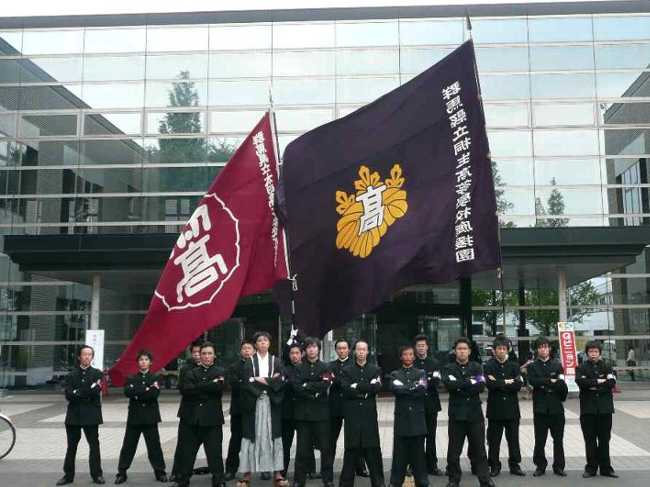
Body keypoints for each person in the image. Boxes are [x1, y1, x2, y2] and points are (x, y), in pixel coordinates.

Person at [171, 342, 226, 487]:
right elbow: (187, 391)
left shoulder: (221, 371)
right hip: (191, 419)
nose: (207, 356)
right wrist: (210, 385)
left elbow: (218, 390)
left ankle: (218, 480)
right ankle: (182, 480)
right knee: (187, 453)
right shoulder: (190, 372)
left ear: (214, 356)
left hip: (212, 420)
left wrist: (198, 387)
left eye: (209, 353)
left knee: (214, 453)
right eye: (204, 354)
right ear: (199, 356)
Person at [237, 332, 287, 487]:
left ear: (269, 343)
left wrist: (262, 380)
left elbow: (281, 380)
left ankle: (277, 473)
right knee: (251, 436)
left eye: (266, 340)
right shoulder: (249, 362)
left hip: (272, 403)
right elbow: (247, 382)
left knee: (274, 436)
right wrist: (268, 383)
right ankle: (247, 474)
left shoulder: (276, 361)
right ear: (255, 344)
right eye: (260, 340)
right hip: (254, 403)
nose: (263, 342)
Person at [442, 337, 494, 487]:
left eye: (464, 349)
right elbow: (450, 386)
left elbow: (480, 387)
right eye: (459, 349)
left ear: (469, 351)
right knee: (453, 451)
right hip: (456, 414)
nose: (462, 351)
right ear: (455, 351)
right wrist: (470, 382)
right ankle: (454, 479)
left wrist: (460, 384)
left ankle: (485, 479)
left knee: (480, 450)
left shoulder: (477, 367)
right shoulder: (448, 368)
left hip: (474, 415)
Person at [115, 350, 167, 484]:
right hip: (135, 417)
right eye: (141, 360)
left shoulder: (156, 378)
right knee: (128, 446)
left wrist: (138, 393)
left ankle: (160, 471)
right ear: (137, 362)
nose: (143, 362)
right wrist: (146, 389)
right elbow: (128, 392)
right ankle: (122, 472)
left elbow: (153, 395)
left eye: (146, 360)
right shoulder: (131, 378)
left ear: (150, 362)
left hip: (150, 417)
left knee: (154, 446)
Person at [339, 340, 384, 487]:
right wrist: (366, 389)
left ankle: (378, 483)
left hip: (369, 415)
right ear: (354, 351)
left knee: (373, 450)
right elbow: (346, 389)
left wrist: (357, 386)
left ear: (367, 351)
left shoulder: (375, 370)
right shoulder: (346, 370)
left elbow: (376, 388)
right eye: (359, 349)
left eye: (364, 349)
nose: (361, 352)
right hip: (352, 415)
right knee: (351, 451)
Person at [57, 345, 105, 486]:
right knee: (71, 447)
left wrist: (78, 392)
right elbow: (68, 395)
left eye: (90, 354)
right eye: (84, 354)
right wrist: (87, 391)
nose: (87, 357)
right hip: (74, 415)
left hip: (91, 415)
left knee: (94, 446)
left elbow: (96, 391)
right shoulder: (71, 375)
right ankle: (68, 475)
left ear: (92, 357)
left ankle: (97, 475)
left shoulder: (97, 374)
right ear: (79, 357)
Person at [290, 337, 334, 487]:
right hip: (303, 414)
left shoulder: (326, 367)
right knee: (302, 450)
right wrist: (313, 389)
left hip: (321, 414)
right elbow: (296, 387)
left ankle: (327, 479)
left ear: (318, 349)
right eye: (309, 347)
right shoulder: (298, 368)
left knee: (325, 449)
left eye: (314, 347)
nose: (312, 349)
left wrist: (307, 385)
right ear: (305, 350)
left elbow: (325, 384)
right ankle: (298, 480)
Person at [576, 341, 618, 479]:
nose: (593, 354)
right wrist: (599, 381)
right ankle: (591, 468)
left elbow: (611, 383)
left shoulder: (607, 366)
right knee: (590, 440)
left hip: (605, 409)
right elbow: (581, 383)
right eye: (590, 351)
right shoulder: (581, 367)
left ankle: (606, 468)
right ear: (587, 353)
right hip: (588, 409)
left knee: (605, 439)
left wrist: (593, 384)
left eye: (595, 351)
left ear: (600, 353)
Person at [483, 337, 525, 477]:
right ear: (494, 351)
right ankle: (494, 465)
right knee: (494, 440)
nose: (501, 351)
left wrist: (499, 382)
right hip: (495, 410)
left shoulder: (514, 366)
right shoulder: (488, 366)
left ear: (508, 350)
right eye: (499, 349)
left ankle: (515, 465)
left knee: (513, 439)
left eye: (504, 349)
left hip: (512, 410)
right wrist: (507, 382)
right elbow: (490, 385)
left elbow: (518, 385)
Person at [527, 337, 568, 477]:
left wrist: (544, 383)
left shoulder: (557, 365)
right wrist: (550, 381)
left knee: (558, 440)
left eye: (545, 346)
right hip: (540, 408)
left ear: (549, 348)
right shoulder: (532, 366)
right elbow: (533, 381)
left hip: (556, 407)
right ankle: (540, 466)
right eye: (540, 347)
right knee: (540, 440)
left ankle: (559, 466)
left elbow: (561, 385)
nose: (543, 349)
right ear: (537, 350)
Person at [328, 339, 369, 479]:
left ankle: (360, 467)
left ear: (349, 350)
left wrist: (339, 380)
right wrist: (345, 382)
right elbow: (330, 381)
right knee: (331, 439)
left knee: (356, 438)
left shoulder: (354, 365)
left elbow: (357, 383)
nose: (342, 350)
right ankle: (327, 468)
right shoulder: (330, 365)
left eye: (344, 348)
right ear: (336, 350)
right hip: (335, 406)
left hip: (352, 405)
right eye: (339, 348)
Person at [388, 345, 428, 487]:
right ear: (401, 357)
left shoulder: (421, 372)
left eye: (411, 354)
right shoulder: (395, 374)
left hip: (418, 419)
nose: (408, 357)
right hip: (402, 419)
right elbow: (395, 389)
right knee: (399, 455)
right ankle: (395, 482)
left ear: (414, 356)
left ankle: (422, 481)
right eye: (405, 354)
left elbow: (422, 389)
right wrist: (412, 387)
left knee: (419, 456)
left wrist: (405, 387)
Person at [170, 340, 205, 482]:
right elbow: (183, 389)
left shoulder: (212, 367)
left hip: (206, 413)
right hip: (188, 411)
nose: (196, 355)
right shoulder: (185, 368)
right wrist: (204, 387)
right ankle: (176, 472)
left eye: (199, 352)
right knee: (183, 444)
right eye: (194, 352)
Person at [281, 342, 316, 478]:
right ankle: (282, 471)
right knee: (285, 443)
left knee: (306, 442)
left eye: (297, 353)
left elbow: (311, 386)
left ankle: (310, 469)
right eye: (292, 353)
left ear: (302, 354)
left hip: (304, 410)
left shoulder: (308, 368)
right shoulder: (284, 370)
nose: (294, 356)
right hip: (287, 412)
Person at [413, 334, 443, 476]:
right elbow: (409, 382)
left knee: (431, 436)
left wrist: (420, 382)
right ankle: (416, 465)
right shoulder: (411, 362)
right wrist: (427, 379)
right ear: (415, 347)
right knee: (416, 437)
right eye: (418, 345)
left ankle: (432, 465)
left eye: (423, 345)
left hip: (431, 405)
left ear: (427, 347)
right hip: (416, 405)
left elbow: (436, 382)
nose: (421, 348)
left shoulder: (434, 363)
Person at [225, 340, 255, 480]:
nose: (247, 350)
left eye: (249, 348)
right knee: (236, 440)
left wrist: (245, 383)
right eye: (244, 348)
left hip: (255, 410)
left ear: (254, 351)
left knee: (258, 440)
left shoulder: (259, 365)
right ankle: (231, 469)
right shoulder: (233, 367)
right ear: (240, 351)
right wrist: (250, 383)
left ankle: (263, 468)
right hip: (238, 409)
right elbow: (233, 384)